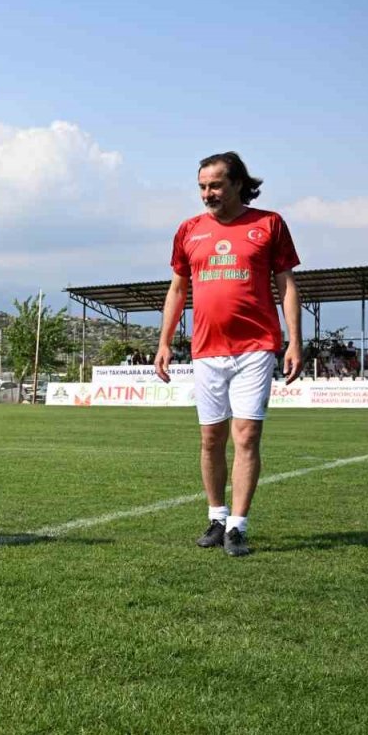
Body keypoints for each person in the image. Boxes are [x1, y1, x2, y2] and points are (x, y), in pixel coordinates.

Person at [154, 152, 302, 557]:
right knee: (210, 439)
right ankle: (216, 517)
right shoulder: (188, 230)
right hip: (206, 349)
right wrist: (164, 341)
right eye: (203, 186)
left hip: (256, 346)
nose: (208, 193)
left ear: (238, 184)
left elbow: (287, 284)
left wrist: (294, 340)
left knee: (247, 435)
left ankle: (237, 526)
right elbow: (177, 290)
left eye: (216, 185)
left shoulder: (269, 224)